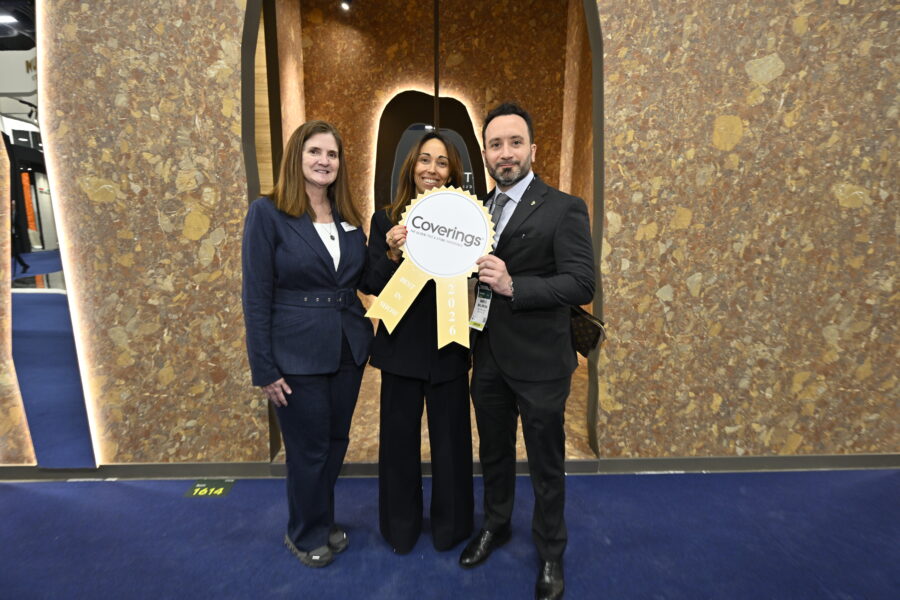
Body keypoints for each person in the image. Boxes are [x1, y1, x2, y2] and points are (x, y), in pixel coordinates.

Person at [459, 103, 595, 600]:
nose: (505, 153)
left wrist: (515, 285)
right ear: (485, 153)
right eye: (495, 144)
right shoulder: (473, 210)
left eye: (515, 143)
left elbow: (581, 283)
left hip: (540, 362)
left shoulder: (564, 207)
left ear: (533, 149)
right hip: (488, 357)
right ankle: (496, 525)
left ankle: (551, 551)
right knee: (493, 453)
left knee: (545, 463)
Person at [242, 120, 373, 568]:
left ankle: (321, 518)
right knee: (308, 449)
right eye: (315, 151)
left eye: (332, 154)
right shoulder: (268, 213)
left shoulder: (348, 217)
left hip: (347, 348)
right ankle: (304, 533)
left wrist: (396, 252)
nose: (324, 161)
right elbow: (255, 295)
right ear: (296, 157)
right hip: (295, 354)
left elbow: (365, 279)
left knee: (335, 442)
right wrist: (264, 367)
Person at [360, 132, 474, 554]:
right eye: (425, 159)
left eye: (442, 162)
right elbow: (370, 283)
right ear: (411, 166)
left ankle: (452, 528)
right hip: (400, 350)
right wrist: (392, 253)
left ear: (452, 172)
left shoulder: (467, 222)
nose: (432, 169)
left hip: (449, 346)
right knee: (398, 446)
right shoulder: (385, 220)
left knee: (452, 446)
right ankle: (400, 528)